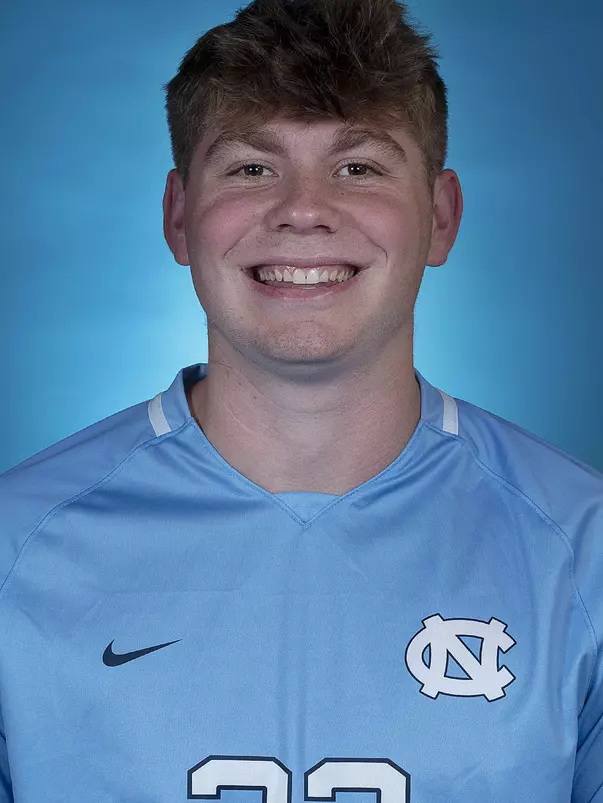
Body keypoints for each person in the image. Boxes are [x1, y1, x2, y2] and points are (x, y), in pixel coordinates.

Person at [0, 0, 601, 799]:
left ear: (441, 216)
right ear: (180, 218)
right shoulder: (16, 547)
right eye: (252, 167)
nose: (304, 209)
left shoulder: (582, 551)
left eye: (358, 167)